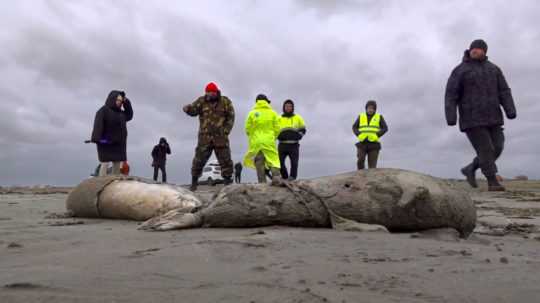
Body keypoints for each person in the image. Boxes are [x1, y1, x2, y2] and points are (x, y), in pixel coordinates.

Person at [445, 39, 516, 192]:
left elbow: (504, 90)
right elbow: (451, 94)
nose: (475, 50)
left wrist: (510, 109)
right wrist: (451, 116)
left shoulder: (494, 69)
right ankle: (492, 181)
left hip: (493, 116)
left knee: (497, 147)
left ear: (484, 51)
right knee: (486, 149)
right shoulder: (460, 70)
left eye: (478, 49)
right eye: (473, 48)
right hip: (471, 118)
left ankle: (470, 168)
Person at [183, 82, 235, 191]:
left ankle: (227, 183)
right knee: (198, 160)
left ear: (216, 92)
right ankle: (194, 183)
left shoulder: (225, 102)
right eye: (208, 92)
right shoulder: (201, 101)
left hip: (220, 137)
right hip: (204, 138)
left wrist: (226, 131)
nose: (209, 94)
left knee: (226, 160)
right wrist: (187, 109)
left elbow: (231, 116)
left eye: (212, 92)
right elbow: (193, 111)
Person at [91, 90, 133, 176]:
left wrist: (126, 102)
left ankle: (115, 182)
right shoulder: (103, 111)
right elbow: (98, 126)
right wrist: (99, 139)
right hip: (106, 142)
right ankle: (101, 182)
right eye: (118, 100)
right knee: (105, 163)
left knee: (117, 163)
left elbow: (129, 115)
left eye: (121, 101)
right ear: (112, 99)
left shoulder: (121, 113)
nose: (119, 102)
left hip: (118, 143)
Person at [243, 94, 282, 185]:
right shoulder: (273, 113)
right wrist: (272, 137)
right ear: (266, 102)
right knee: (273, 160)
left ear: (256, 102)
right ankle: (276, 178)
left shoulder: (252, 113)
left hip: (256, 142)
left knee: (259, 163)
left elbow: (247, 129)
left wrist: (254, 137)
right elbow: (277, 128)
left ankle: (262, 184)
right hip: (269, 141)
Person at [352, 100, 388, 170]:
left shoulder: (379, 117)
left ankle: (371, 179)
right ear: (366, 108)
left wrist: (376, 135)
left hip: (374, 144)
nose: (370, 110)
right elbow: (354, 127)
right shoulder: (361, 116)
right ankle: (360, 176)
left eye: (372, 108)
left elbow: (385, 128)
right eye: (369, 108)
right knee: (360, 160)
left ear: (375, 109)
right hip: (362, 143)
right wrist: (359, 135)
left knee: (372, 167)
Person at [277, 99, 306, 180]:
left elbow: (303, 129)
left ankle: (292, 178)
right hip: (282, 144)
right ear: (284, 107)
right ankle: (285, 177)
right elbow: (274, 129)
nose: (288, 108)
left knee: (294, 163)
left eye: (290, 106)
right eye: (286, 106)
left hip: (294, 145)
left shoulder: (298, 117)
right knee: (279, 163)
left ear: (292, 108)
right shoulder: (278, 118)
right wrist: (278, 136)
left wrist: (299, 136)